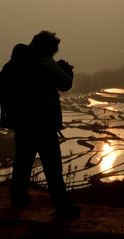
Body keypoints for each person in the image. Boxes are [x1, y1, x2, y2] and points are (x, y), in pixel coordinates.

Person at [5, 31, 80, 220]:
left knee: (22, 162)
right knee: (53, 167)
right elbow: (65, 84)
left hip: (22, 122)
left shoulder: (18, 61)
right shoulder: (45, 62)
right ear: (49, 48)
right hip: (43, 123)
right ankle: (63, 207)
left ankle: (17, 199)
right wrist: (67, 71)